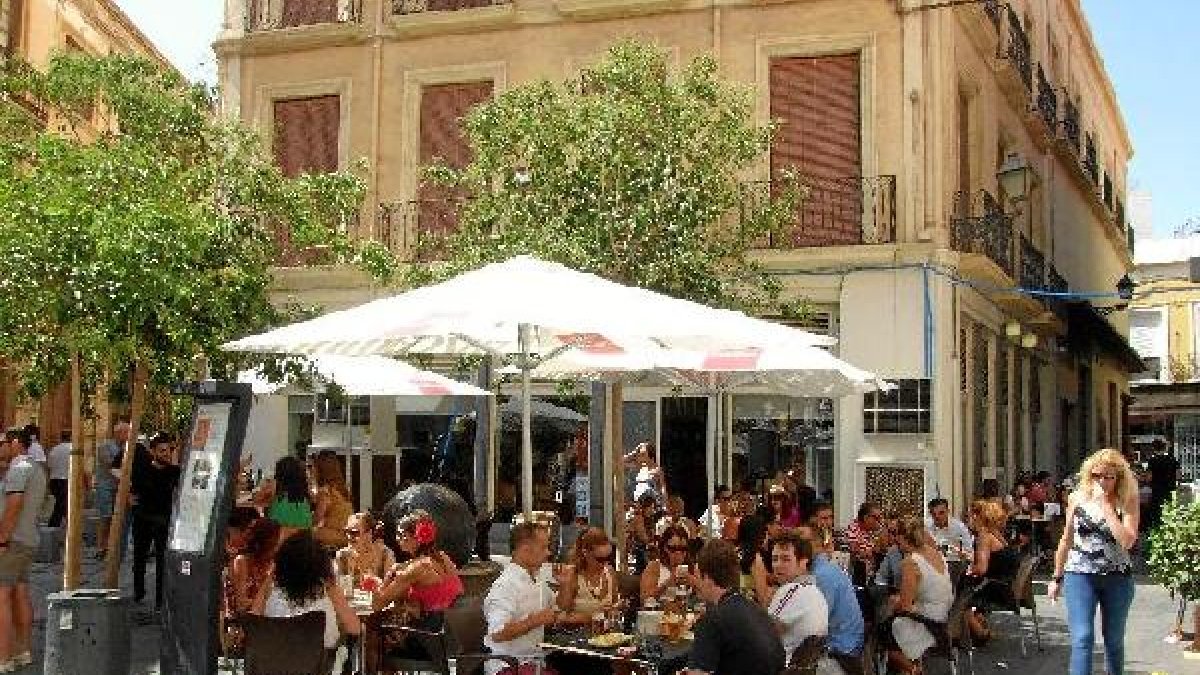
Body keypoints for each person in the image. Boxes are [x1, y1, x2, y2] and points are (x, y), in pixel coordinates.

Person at [1048, 449, 1140, 675]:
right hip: (1080, 574)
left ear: (1118, 478)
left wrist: (1107, 507)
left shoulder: (1127, 500)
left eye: (1109, 477)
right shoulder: (1077, 498)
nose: (1102, 481)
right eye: (1097, 475)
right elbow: (1066, 538)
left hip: (1117, 577)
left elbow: (1127, 541)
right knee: (1082, 637)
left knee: (1114, 640)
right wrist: (1056, 577)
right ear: (1089, 474)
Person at [681, 539, 785, 675]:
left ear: (706, 577)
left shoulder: (712, 620)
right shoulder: (755, 608)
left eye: (697, 576)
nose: (695, 584)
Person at [252, 530, 362, 653]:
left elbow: (253, 619)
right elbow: (355, 628)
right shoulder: (328, 588)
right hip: (319, 662)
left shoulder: (271, 588)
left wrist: (270, 577)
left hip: (276, 659)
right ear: (322, 563)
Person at [483, 522, 563, 675]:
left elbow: (557, 609)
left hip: (534, 663)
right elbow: (497, 633)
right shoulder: (505, 585)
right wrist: (534, 621)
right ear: (525, 549)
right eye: (544, 547)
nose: (548, 553)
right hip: (508, 666)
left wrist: (565, 585)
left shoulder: (536, 579)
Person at [882, 516, 954, 675]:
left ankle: (913, 669)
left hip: (927, 624)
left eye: (895, 535)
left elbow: (905, 607)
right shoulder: (936, 553)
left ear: (902, 537)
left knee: (883, 631)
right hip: (944, 618)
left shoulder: (910, 562)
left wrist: (894, 602)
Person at [0, 427, 47, 670]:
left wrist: (2, 538)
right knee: (20, 593)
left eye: (3, 443)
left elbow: (15, 503)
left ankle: (4, 658)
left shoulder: (19, 468)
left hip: (13, 541)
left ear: (15, 442)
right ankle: (22, 651)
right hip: (27, 539)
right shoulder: (35, 468)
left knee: (2, 597)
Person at [372, 510, 463, 614]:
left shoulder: (414, 569)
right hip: (453, 621)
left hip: (425, 623)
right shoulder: (443, 558)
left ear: (416, 538)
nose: (397, 539)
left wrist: (380, 582)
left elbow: (377, 605)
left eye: (401, 535)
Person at [130, 432, 181, 609]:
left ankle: (160, 599)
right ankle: (138, 592)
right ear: (153, 451)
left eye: (168, 450)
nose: (166, 454)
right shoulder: (142, 470)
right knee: (139, 558)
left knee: (162, 561)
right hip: (143, 520)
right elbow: (132, 494)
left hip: (163, 522)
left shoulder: (174, 471)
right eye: (162, 450)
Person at [807, 529, 865, 671]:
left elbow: (816, 626)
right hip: (846, 641)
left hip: (840, 649)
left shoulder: (821, 575)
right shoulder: (827, 568)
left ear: (816, 544)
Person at [766, 531, 828, 665]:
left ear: (803, 562)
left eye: (786, 559)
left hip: (783, 668)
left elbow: (763, 631)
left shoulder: (792, 589)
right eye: (774, 559)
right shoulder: (815, 591)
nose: (777, 565)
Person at [962, 499, 1018, 642]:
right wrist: (970, 557)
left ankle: (980, 633)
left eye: (968, 516)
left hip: (994, 587)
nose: (967, 520)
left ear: (976, 517)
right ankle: (978, 619)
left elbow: (981, 569)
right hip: (1005, 584)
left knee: (957, 594)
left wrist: (968, 568)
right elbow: (993, 558)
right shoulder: (994, 534)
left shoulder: (983, 537)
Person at [556, 528, 617, 621]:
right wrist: (592, 617)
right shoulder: (572, 575)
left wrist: (615, 608)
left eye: (609, 558)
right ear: (586, 553)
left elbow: (615, 605)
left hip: (605, 629)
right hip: (578, 629)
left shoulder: (609, 571)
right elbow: (561, 614)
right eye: (600, 559)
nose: (605, 563)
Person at [93, 419, 130, 559]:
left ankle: (114, 546)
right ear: (118, 433)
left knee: (119, 518)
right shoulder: (105, 447)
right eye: (126, 432)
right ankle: (101, 547)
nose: (129, 435)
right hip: (106, 486)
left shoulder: (128, 448)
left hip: (120, 488)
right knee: (106, 517)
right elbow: (110, 465)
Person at [258, 456, 313, 538]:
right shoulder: (304, 494)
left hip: (279, 537)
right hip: (304, 538)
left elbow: (257, 498)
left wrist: (265, 488)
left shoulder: (276, 488)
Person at [335, 512, 396, 584]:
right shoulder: (342, 556)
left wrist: (375, 581)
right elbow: (339, 586)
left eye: (354, 533)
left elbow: (391, 587)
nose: (349, 537)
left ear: (369, 533)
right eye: (347, 532)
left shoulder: (385, 555)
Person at [640, 525, 695, 604]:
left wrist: (695, 584)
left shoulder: (691, 567)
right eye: (673, 548)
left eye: (683, 549)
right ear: (665, 548)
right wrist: (666, 585)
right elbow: (644, 599)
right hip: (660, 610)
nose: (678, 553)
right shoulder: (655, 566)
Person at [311, 453, 354, 550]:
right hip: (347, 534)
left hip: (335, 534)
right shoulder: (342, 489)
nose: (311, 471)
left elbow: (317, 518)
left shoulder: (325, 491)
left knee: (303, 534)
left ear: (321, 470)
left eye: (313, 467)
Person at [1144, 439, 1180, 532]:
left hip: (1157, 491)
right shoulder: (1173, 459)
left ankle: (1157, 531)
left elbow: (1149, 478)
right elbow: (1178, 475)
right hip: (1170, 490)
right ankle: (1168, 531)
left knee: (1157, 513)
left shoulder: (1152, 460)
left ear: (1154, 448)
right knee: (1170, 511)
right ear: (1165, 448)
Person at [736, 514, 772, 605]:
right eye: (766, 533)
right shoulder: (755, 559)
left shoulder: (736, 552)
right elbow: (762, 597)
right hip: (750, 607)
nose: (768, 537)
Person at [843, 502, 884, 580]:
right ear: (865, 518)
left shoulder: (875, 529)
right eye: (876, 518)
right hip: (858, 575)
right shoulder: (853, 529)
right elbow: (855, 553)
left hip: (874, 573)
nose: (879, 521)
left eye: (880, 518)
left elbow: (881, 549)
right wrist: (871, 551)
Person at [625, 442, 667, 506]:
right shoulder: (639, 467)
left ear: (650, 455)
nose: (640, 456)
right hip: (638, 504)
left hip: (651, 504)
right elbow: (620, 462)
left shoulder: (657, 470)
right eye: (640, 454)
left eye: (643, 454)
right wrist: (635, 452)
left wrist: (664, 504)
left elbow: (662, 488)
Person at [46, 430, 72, 528]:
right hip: (66, 480)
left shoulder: (54, 449)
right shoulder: (73, 449)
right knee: (62, 504)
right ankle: (54, 525)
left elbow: (49, 466)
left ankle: (61, 524)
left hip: (54, 480)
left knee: (60, 503)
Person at [626, 493, 657, 574]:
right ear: (645, 507)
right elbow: (642, 536)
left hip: (647, 549)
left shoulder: (651, 520)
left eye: (653, 508)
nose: (652, 510)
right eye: (650, 508)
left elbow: (652, 536)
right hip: (638, 549)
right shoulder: (638, 519)